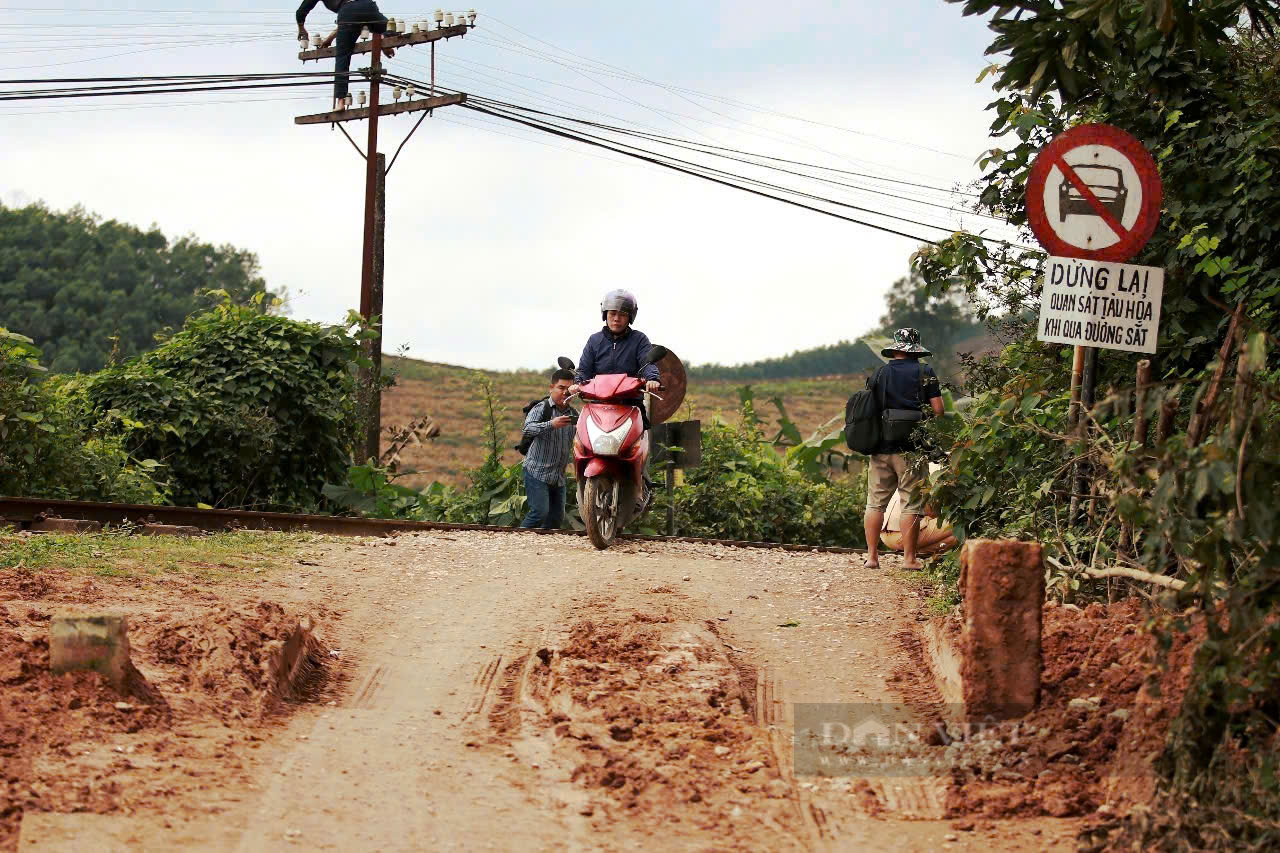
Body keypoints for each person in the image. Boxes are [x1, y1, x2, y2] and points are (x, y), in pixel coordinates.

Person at [862, 327, 945, 571]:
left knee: (875, 503)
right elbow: (938, 409)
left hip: (880, 447)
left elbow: (871, 407)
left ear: (896, 349)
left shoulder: (880, 373)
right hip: (911, 449)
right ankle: (909, 559)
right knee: (911, 502)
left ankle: (872, 557)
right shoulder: (924, 371)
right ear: (915, 350)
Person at [296, 0, 395, 109]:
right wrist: (330, 39)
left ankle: (341, 102)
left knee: (342, 56)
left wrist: (301, 28)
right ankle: (385, 37)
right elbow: (354, 11)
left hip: (347, 14)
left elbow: (301, 11)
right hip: (367, 6)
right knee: (393, 28)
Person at [518, 368, 578, 529]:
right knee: (539, 513)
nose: (565, 392)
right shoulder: (542, 407)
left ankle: (540, 551)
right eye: (561, 388)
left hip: (558, 476)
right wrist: (551, 424)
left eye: (569, 389)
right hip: (536, 472)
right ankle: (514, 541)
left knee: (556, 520)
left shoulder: (574, 414)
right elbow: (527, 429)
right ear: (551, 387)